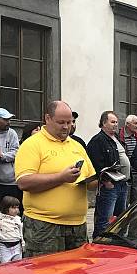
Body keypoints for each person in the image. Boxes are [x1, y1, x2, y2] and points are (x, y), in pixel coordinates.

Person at [15, 100, 98, 257]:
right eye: (61, 122)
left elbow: (91, 181)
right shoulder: (32, 144)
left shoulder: (77, 146)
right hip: (44, 226)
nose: (66, 126)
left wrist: (102, 180)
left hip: (77, 226)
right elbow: (23, 182)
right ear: (47, 118)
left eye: (69, 122)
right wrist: (61, 177)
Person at [87, 111, 130, 236]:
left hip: (121, 184)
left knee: (120, 219)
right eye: (112, 122)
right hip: (109, 186)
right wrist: (106, 182)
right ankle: (100, 245)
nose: (115, 125)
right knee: (104, 220)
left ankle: (117, 244)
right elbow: (94, 165)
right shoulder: (98, 140)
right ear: (103, 123)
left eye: (116, 122)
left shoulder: (115, 139)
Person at [0, 196, 24, 263]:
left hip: (17, 246)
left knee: (18, 266)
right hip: (4, 247)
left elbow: (21, 232)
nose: (16, 210)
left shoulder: (18, 219)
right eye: (13, 208)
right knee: (5, 266)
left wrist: (23, 244)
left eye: (17, 207)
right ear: (5, 208)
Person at [119, 114, 137, 203]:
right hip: (124, 173)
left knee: (136, 202)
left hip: (136, 173)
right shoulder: (119, 136)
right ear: (128, 124)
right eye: (135, 123)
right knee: (123, 202)